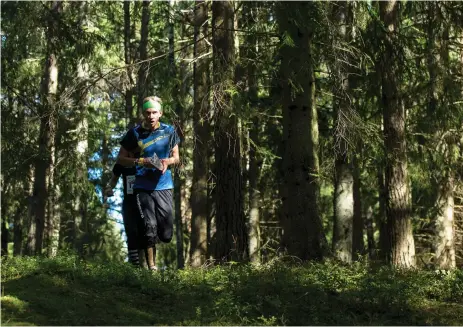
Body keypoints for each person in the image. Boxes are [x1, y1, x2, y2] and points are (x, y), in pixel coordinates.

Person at [117, 96, 180, 271]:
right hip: (142, 186)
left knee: (166, 235)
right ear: (143, 114)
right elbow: (121, 159)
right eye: (147, 112)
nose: (151, 116)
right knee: (149, 226)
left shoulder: (169, 131)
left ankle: (155, 239)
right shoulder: (134, 133)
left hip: (163, 185)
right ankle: (152, 267)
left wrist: (168, 162)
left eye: (154, 112)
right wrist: (140, 162)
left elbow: (177, 157)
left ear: (160, 113)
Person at [105, 152, 141, 267]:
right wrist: (109, 188)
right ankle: (135, 266)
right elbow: (113, 179)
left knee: (146, 233)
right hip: (129, 202)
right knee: (131, 232)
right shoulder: (121, 162)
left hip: (145, 201)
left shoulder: (144, 157)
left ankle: (149, 265)